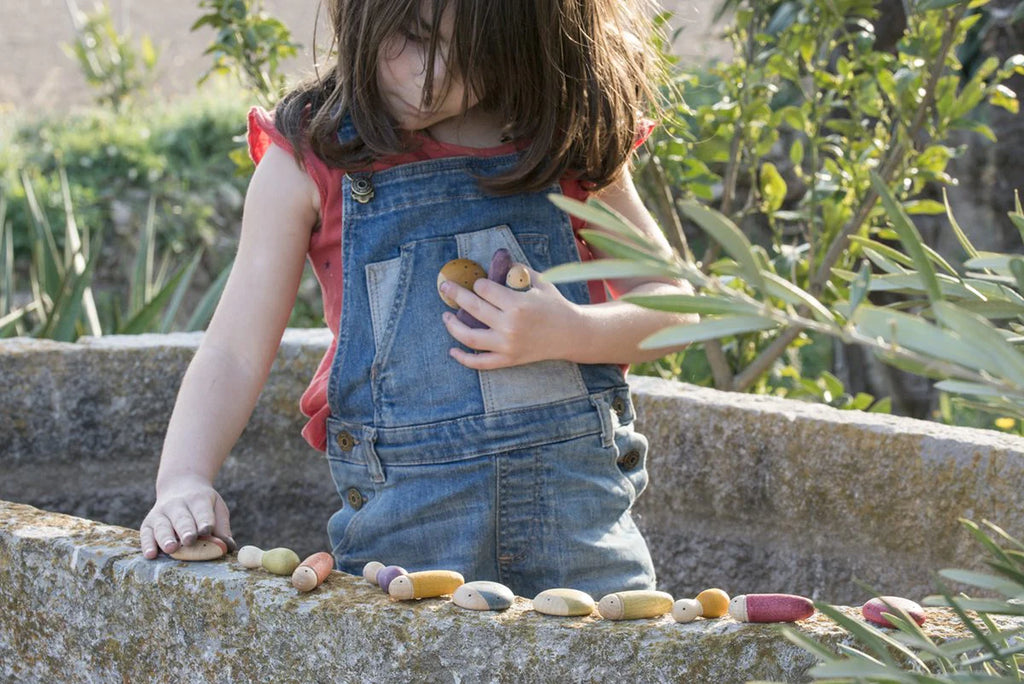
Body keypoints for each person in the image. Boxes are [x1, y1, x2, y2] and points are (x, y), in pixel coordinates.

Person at [139, 0, 695, 597]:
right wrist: (183, 479)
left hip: (586, 552)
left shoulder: (566, 142)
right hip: (405, 558)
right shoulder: (311, 160)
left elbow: (678, 309)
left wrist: (571, 331)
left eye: (471, 56)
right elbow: (233, 351)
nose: (429, 80)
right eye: (413, 36)